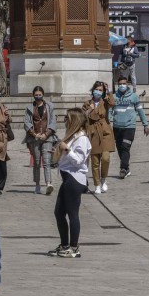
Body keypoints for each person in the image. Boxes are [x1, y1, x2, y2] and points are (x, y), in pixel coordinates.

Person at [49, 108, 91, 259]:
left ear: (75, 120)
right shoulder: (73, 137)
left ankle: (74, 247)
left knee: (72, 214)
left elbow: (79, 161)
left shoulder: (82, 139)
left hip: (75, 179)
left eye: (67, 118)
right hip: (67, 178)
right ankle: (64, 244)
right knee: (59, 212)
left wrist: (66, 149)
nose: (64, 121)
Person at [109, 76, 149, 180]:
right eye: (120, 84)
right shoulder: (114, 97)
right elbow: (110, 111)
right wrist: (109, 121)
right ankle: (126, 168)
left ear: (127, 84)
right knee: (119, 148)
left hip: (130, 127)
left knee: (125, 147)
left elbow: (140, 111)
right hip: (117, 126)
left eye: (124, 83)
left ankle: (122, 169)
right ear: (118, 85)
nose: (122, 85)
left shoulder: (134, 97)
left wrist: (145, 125)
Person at [23, 86, 58, 195]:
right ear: (33, 95)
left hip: (47, 138)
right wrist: (34, 134)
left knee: (47, 162)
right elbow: (27, 123)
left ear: (43, 94)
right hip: (35, 138)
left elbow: (53, 121)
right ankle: (37, 185)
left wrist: (46, 134)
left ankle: (48, 184)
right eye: (36, 95)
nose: (38, 96)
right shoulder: (29, 108)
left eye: (40, 94)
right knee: (37, 162)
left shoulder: (50, 106)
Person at [83, 81, 116, 194]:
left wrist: (109, 91)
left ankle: (104, 179)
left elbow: (112, 103)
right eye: (96, 89)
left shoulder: (105, 101)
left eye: (100, 90)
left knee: (106, 158)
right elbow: (82, 116)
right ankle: (97, 184)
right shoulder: (87, 103)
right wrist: (90, 109)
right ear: (93, 90)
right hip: (93, 132)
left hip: (105, 131)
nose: (98, 92)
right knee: (95, 161)